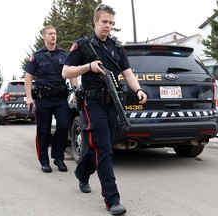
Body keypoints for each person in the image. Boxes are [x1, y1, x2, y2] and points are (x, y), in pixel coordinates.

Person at [62, 4, 147, 215]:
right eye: (104, 22)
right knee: (104, 149)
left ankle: (82, 173)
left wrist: (138, 90)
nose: (107, 26)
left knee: (101, 146)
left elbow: (127, 72)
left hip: (113, 103)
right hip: (92, 104)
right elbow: (65, 72)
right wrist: (88, 67)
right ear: (95, 21)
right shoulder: (82, 46)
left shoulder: (117, 47)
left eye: (111, 23)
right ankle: (112, 199)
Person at [25, 25, 73, 173]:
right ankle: (44, 161)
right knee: (44, 130)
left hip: (60, 98)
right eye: (50, 34)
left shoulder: (64, 55)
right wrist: (28, 98)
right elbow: (28, 77)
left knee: (64, 126)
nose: (53, 36)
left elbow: (71, 73)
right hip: (43, 99)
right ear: (44, 36)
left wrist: (75, 90)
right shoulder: (37, 56)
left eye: (55, 33)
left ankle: (59, 158)